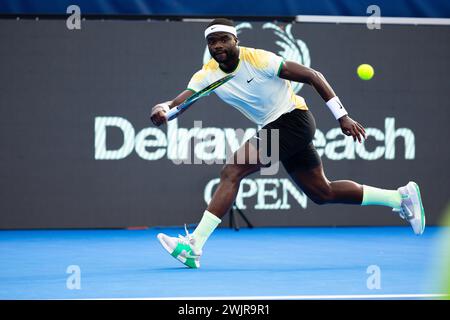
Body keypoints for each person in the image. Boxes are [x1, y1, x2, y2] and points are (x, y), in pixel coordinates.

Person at [150, 18, 425, 269]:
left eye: (224, 39)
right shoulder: (207, 74)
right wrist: (162, 108)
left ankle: (194, 245)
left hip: (294, 120)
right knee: (322, 192)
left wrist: (342, 116)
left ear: (236, 41)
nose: (218, 45)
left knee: (233, 170)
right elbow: (178, 103)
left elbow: (313, 76)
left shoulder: (259, 60)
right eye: (212, 41)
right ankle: (399, 197)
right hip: (277, 127)